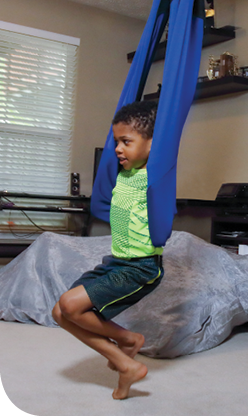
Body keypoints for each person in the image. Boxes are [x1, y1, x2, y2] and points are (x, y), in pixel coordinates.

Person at [52, 101, 163, 400]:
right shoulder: (121, 173)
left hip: (141, 266)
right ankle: (125, 355)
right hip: (116, 262)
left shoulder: (154, 175)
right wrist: (123, 144)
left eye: (127, 141)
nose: (118, 148)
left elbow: (165, 146)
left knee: (70, 305)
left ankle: (126, 347)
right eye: (117, 141)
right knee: (60, 313)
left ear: (153, 144)